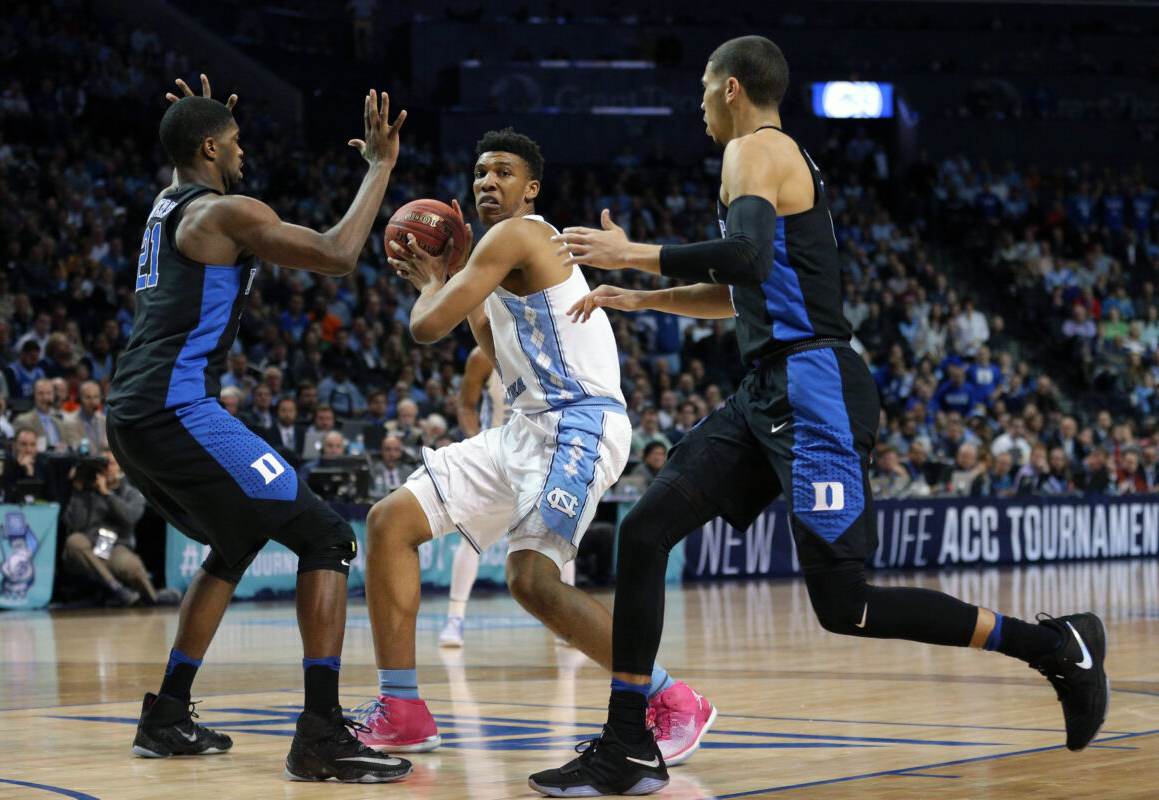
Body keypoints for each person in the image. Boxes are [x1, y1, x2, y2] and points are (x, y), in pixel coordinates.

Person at [530, 37, 1107, 796]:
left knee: (847, 603)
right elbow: (747, 286)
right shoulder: (763, 162)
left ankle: (1050, 645)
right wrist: (643, 300)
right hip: (770, 385)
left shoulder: (755, 150)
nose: (698, 106)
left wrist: (633, 254)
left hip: (814, 388)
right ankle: (628, 743)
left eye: (703, 90)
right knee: (644, 532)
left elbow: (744, 262)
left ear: (731, 89)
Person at [364, 128, 715, 767]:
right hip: (526, 427)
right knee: (389, 523)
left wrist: (429, 284)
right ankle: (403, 710)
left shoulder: (520, 234)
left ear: (531, 190)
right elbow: (496, 353)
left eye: (502, 172)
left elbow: (425, 327)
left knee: (530, 580)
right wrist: (452, 278)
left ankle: (671, 698)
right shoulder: (496, 257)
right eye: (478, 173)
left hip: (578, 424)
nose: (486, 182)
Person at [105, 76, 411, 782]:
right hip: (176, 408)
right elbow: (336, 254)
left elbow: (193, 142)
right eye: (234, 143)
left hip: (135, 411)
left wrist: (200, 119)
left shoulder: (169, 202)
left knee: (236, 539)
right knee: (329, 535)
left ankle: (167, 713)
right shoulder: (225, 212)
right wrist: (381, 167)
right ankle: (321, 736)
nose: (245, 153)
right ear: (210, 149)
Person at [438, 346, 575, 648]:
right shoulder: (481, 355)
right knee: (472, 536)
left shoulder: (549, 349)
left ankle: (567, 624)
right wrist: (479, 443)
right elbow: (466, 406)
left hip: (543, 455)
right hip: (499, 456)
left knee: (558, 535)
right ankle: (455, 619)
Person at [61, 451, 174, 606]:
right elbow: (75, 524)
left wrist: (107, 495)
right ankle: (115, 588)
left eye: (111, 464)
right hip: (88, 548)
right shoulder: (86, 492)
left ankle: (154, 597)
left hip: (115, 546)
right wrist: (79, 491)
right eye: (103, 464)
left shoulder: (131, 493)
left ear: (120, 467)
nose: (107, 469)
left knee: (131, 566)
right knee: (74, 541)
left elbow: (129, 518)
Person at [12, 377, 66, 451]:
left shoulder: (59, 423)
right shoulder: (22, 421)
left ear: (54, 396)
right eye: (40, 393)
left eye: (48, 393)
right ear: (34, 396)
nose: (45, 398)